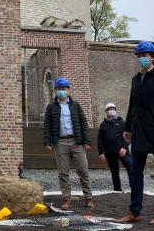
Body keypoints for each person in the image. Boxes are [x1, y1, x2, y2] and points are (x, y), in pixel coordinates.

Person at [116, 41, 154, 226]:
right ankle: (134, 211)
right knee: (135, 172)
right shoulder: (136, 79)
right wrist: (127, 128)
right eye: (139, 55)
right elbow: (132, 105)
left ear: (152, 57)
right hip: (139, 132)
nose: (142, 58)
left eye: (145, 55)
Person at [43, 77, 94, 210]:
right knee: (63, 172)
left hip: (77, 142)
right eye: (59, 89)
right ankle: (66, 199)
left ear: (68, 90)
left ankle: (88, 198)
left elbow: (83, 123)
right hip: (60, 142)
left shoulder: (76, 106)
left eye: (63, 89)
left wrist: (87, 141)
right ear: (55, 91)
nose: (61, 91)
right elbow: (47, 125)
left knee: (83, 170)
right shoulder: (51, 107)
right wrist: (47, 142)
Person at [98, 102, 131, 192]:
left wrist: (124, 147)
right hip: (110, 152)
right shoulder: (103, 125)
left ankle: (134, 187)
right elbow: (100, 139)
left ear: (116, 111)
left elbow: (127, 136)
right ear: (106, 111)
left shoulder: (122, 123)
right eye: (109, 109)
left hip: (122, 150)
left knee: (130, 166)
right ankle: (117, 189)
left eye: (113, 109)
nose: (111, 111)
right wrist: (101, 152)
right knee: (114, 171)